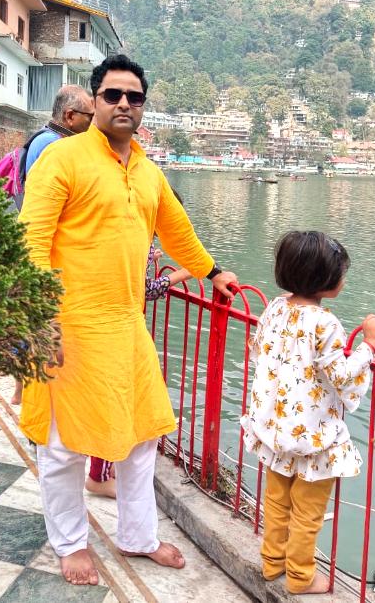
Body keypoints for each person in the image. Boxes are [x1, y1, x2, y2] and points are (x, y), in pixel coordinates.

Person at [19, 53, 237, 586]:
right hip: (69, 324)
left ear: (142, 106)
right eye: (112, 94)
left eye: (134, 97)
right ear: (94, 101)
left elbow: (178, 231)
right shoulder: (63, 159)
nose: (123, 104)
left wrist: (212, 272)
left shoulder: (148, 171)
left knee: (142, 437)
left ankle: (137, 536)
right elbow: (31, 239)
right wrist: (40, 319)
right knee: (63, 445)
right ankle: (70, 543)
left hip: (125, 324)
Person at [240, 230, 375, 595]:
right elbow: (341, 375)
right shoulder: (325, 323)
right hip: (312, 435)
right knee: (307, 512)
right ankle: (301, 577)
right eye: (342, 272)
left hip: (275, 428)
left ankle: (272, 563)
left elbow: (257, 350)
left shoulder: (275, 307)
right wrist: (368, 345)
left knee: (276, 502)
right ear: (325, 280)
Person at [86, 229, 192, 499]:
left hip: (107, 323)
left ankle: (107, 467)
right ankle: (98, 476)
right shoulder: (138, 233)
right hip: (119, 328)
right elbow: (144, 289)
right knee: (115, 404)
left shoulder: (131, 231)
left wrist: (151, 256)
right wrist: (182, 274)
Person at [11, 84, 95, 406]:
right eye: (89, 116)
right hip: (44, 250)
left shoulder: (48, 139)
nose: (93, 122)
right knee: (36, 322)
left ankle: (25, 388)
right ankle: (26, 391)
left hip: (44, 247)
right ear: (70, 116)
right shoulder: (53, 146)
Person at [24, 84, 95, 174]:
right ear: (70, 116)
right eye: (91, 117)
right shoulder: (52, 144)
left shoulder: (48, 137)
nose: (94, 122)